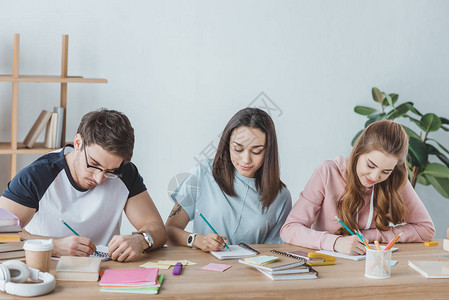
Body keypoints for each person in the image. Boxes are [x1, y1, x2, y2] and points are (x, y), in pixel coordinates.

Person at [0, 109, 166, 262]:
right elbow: (2, 232)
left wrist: (142, 240)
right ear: (78, 143)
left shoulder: (125, 173)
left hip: (105, 272)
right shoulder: (37, 175)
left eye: (111, 171)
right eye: (93, 164)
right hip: (47, 272)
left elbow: (157, 228)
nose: (100, 178)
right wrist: (54, 246)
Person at [280, 120, 435, 255]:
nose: (375, 177)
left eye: (385, 171)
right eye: (370, 165)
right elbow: (289, 229)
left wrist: (369, 236)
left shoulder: (395, 180)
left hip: (370, 265)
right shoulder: (328, 172)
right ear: (358, 152)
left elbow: (426, 229)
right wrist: (335, 243)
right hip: (327, 266)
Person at [165, 107, 292, 252]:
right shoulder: (202, 173)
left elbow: (273, 252)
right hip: (205, 270)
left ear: (268, 151)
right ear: (227, 145)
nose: (246, 160)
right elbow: (169, 231)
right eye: (238, 149)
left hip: (250, 272)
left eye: (256, 151)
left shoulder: (280, 196)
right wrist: (198, 240)